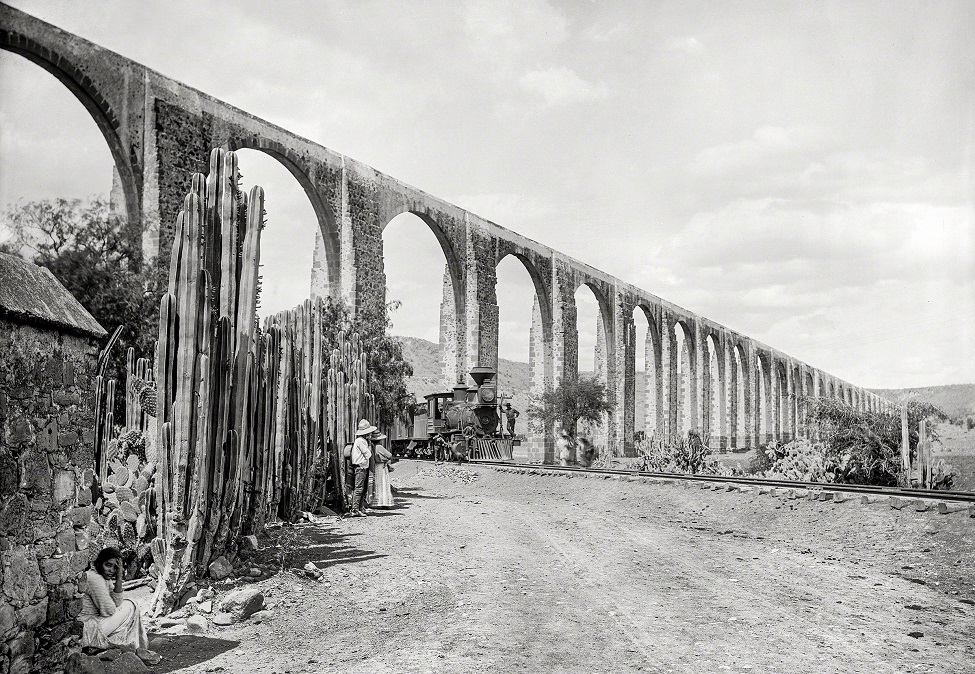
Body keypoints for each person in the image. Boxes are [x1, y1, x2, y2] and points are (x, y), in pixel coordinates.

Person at [79, 547, 154, 657]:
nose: (111, 570)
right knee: (130, 605)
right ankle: (131, 645)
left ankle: (126, 645)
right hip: (88, 630)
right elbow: (108, 611)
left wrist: (119, 577)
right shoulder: (94, 578)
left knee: (129, 604)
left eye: (115, 567)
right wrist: (114, 606)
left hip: (95, 625)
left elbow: (117, 602)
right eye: (108, 565)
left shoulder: (103, 577)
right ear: (99, 563)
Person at [350, 418, 376, 516]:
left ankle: (360, 507)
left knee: (362, 489)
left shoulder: (361, 441)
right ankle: (355, 509)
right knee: (359, 489)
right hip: (360, 467)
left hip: (362, 467)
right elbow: (368, 454)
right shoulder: (361, 441)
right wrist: (369, 446)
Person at [370, 430, 395, 508]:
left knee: (377, 484)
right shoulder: (379, 447)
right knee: (384, 483)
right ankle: (385, 502)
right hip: (382, 467)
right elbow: (389, 455)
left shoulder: (372, 447)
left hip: (375, 466)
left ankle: (377, 502)